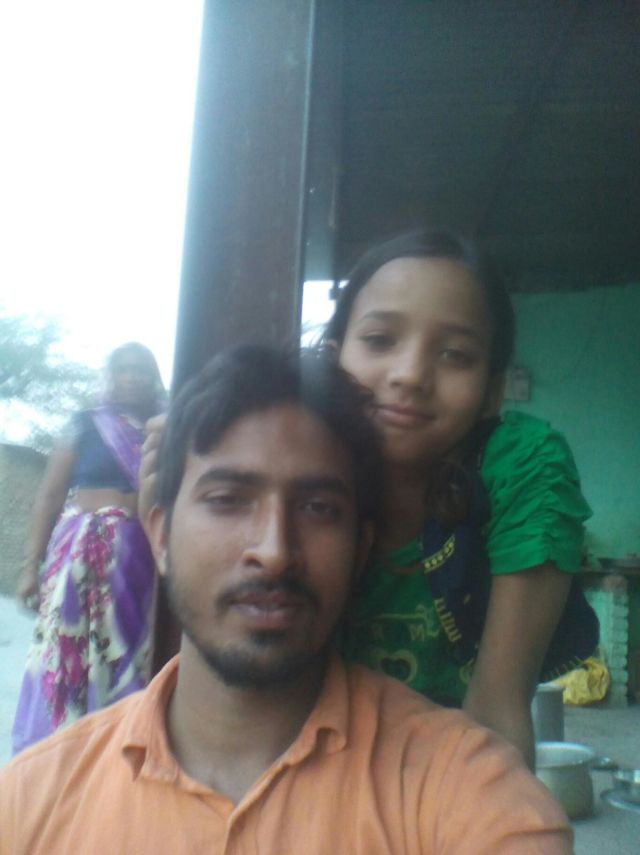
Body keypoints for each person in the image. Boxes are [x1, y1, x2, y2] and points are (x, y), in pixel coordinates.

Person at [0, 346, 572, 855]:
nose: (274, 553)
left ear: (360, 549)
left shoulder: (467, 792)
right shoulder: (29, 804)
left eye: (319, 508)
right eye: (228, 499)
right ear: (162, 537)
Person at [324, 228, 598, 768]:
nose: (410, 376)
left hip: (456, 780)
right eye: (379, 340)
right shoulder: (293, 460)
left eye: (455, 354)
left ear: (492, 391)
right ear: (334, 362)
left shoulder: (520, 468)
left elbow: (495, 712)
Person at [11, 342, 165, 755]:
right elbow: (49, 496)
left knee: (128, 651)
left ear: (153, 377)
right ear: (110, 376)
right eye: (123, 369)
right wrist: (30, 567)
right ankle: (56, 747)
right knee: (67, 650)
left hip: (138, 560)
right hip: (78, 556)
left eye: (140, 369)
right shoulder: (84, 424)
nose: (131, 377)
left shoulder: (164, 429)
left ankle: (115, 744)